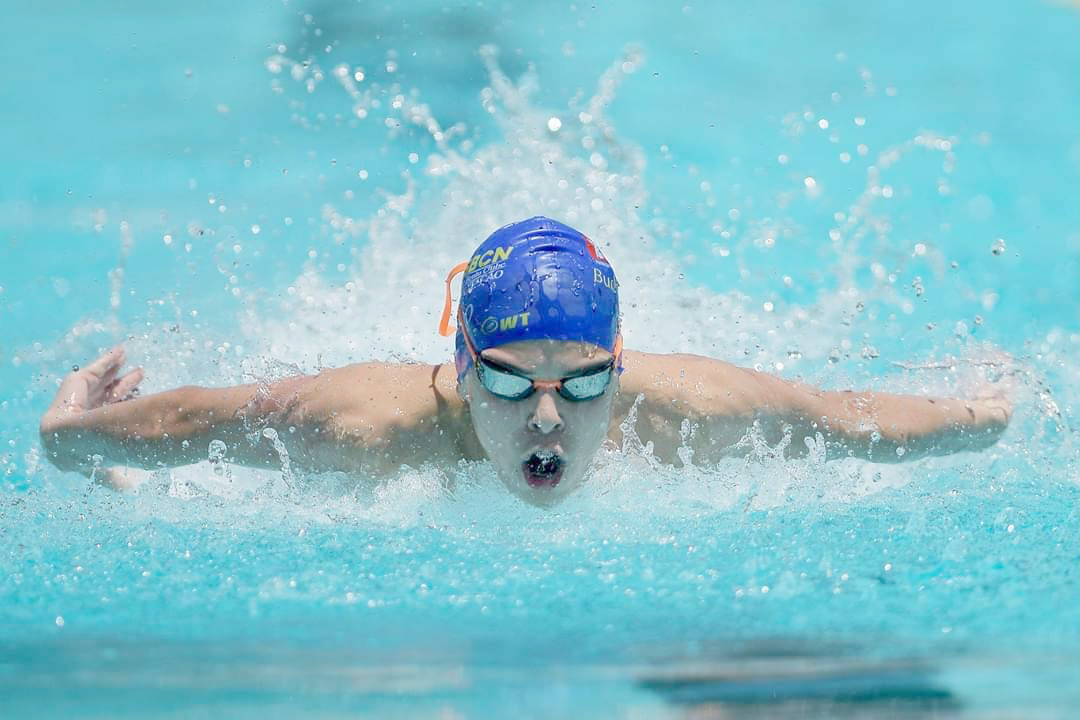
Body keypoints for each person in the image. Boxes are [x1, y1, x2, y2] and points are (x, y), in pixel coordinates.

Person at [39, 217, 1012, 506]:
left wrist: (993, 415)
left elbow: (840, 421)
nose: (548, 417)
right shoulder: (369, 427)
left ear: (619, 367)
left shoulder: (688, 412)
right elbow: (202, 421)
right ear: (461, 370)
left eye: (583, 380)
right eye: (508, 379)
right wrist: (73, 435)